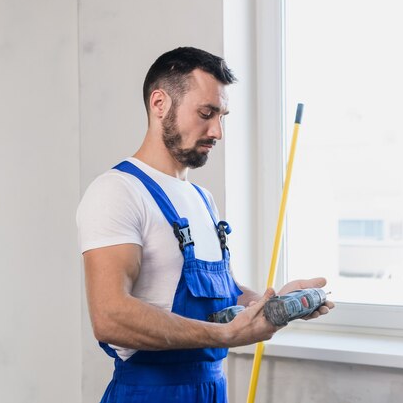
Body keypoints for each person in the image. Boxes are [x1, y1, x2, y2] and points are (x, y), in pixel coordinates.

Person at [76, 46, 335, 403]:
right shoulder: (117, 191)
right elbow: (109, 316)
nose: (217, 130)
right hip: (150, 393)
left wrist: (271, 303)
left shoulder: (202, 199)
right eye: (205, 113)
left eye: (222, 115)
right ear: (160, 103)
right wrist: (224, 336)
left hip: (212, 390)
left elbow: (218, 293)